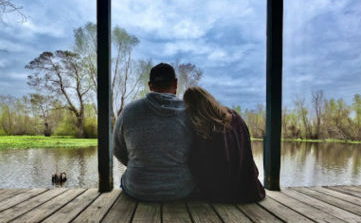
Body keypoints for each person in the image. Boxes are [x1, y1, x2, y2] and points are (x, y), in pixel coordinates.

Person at [113, 63, 196, 201]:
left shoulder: (129, 111)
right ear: (175, 83)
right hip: (180, 190)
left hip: (137, 189)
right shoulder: (191, 113)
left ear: (150, 85)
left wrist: (139, 164)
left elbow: (116, 148)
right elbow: (198, 151)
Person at [183, 86, 265, 203]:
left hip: (221, 194)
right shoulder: (235, 117)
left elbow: (198, 166)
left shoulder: (202, 130)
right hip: (249, 190)